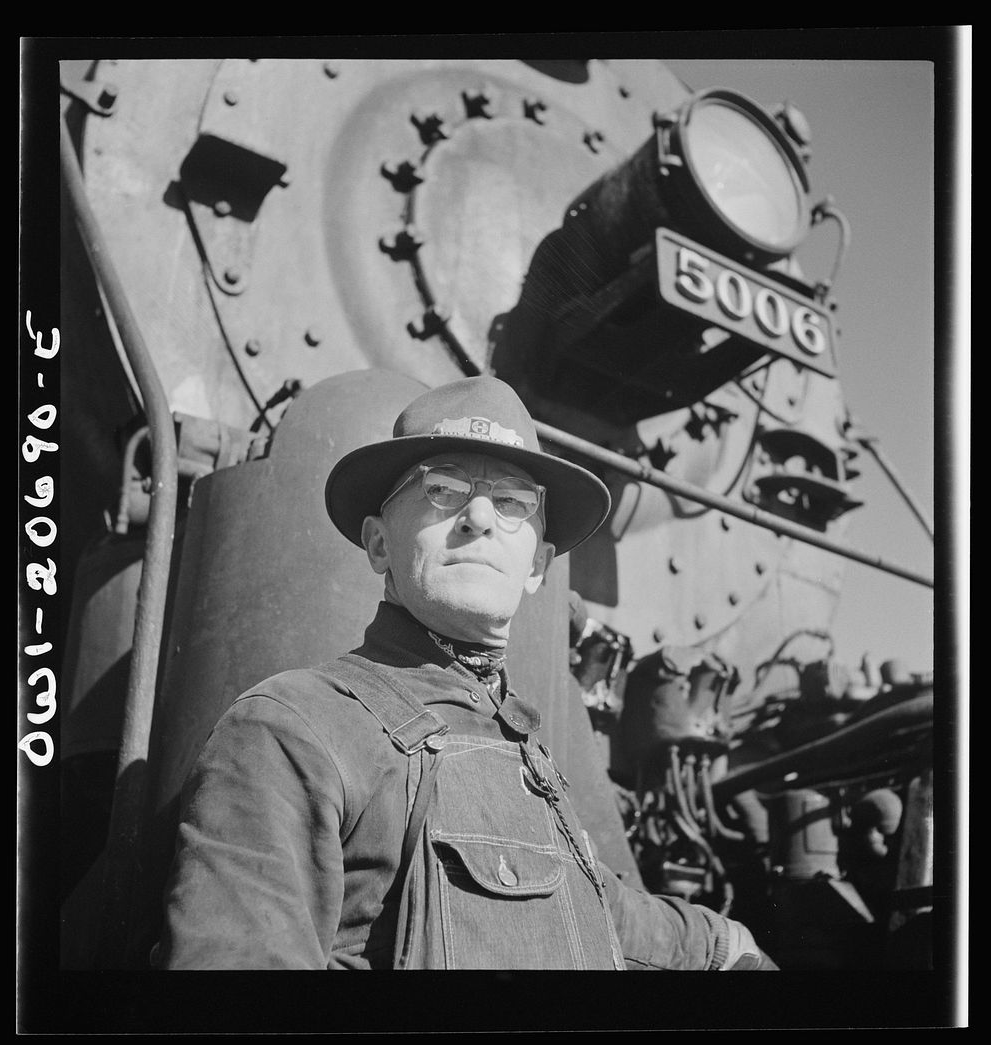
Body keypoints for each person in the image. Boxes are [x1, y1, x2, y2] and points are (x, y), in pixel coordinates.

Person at [157, 375, 776, 970]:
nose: (479, 518)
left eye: (511, 501)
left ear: (537, 564)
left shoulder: (524, 748)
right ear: (378, 544)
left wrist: (722, 945)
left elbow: (592, 909)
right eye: (442, 489)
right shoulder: (291, 729)